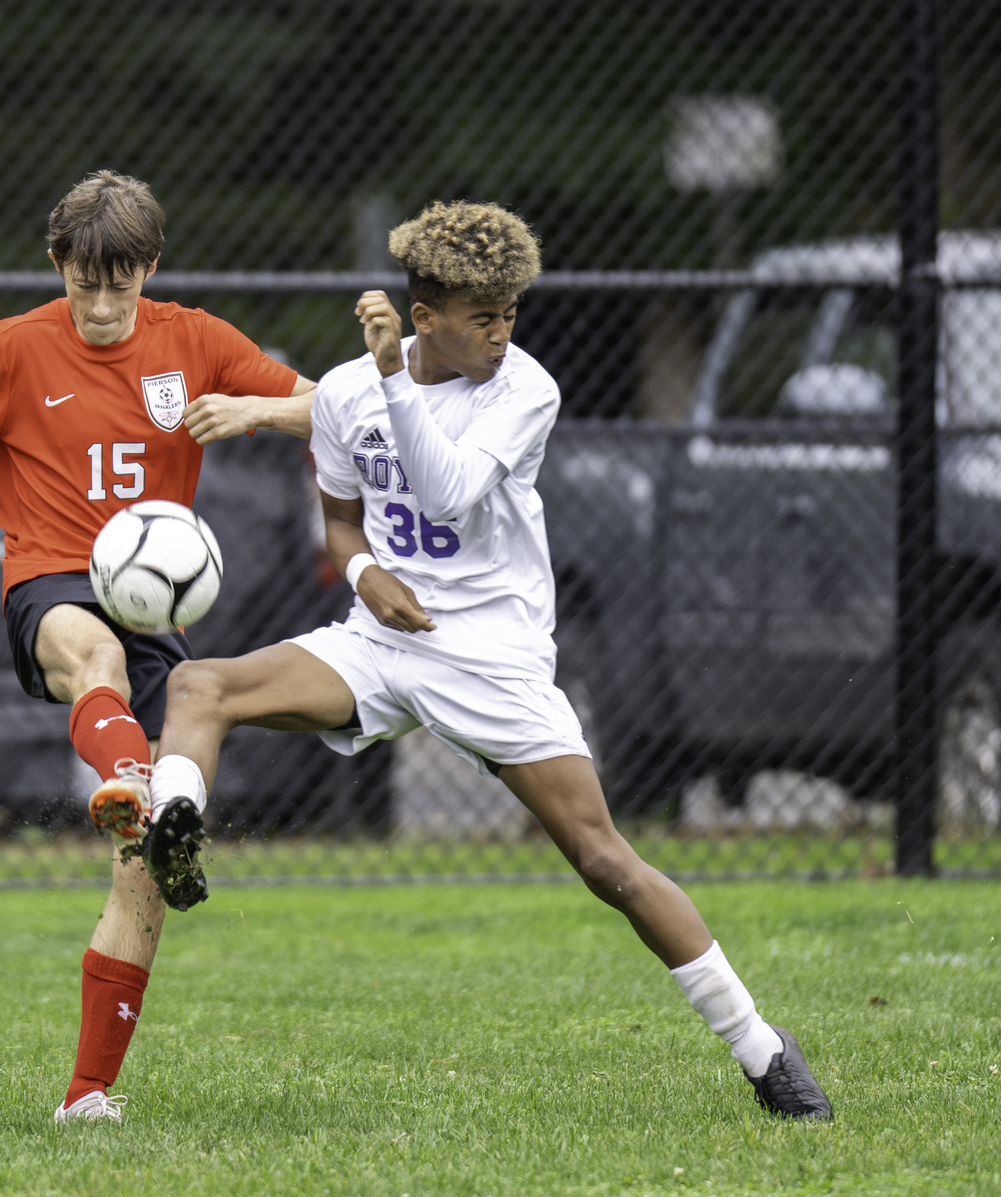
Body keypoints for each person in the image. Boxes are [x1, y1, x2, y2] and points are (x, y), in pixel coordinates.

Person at [141, 200, 832, 1121]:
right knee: (199, 683)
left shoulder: (522, 390)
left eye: (511, 314)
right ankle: (175, 833)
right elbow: (342, 519)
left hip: (491, 656)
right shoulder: (349, 391)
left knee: (602, 859)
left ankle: (761, 1050)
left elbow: (450, 490)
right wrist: (361, 571)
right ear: (426, 318)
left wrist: (390, 379)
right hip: (382, 641)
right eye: (484, 318)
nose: (504, 334)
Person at [0, 170, 315, 1125]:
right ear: (57, 264)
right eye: (86, 284)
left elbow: (334, 408)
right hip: (52, 582)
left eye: (123, 284)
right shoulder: (11, 349)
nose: (106, 306)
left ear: (151, 266)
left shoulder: (194, 340)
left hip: (158, 611)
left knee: (143, 871)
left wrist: (255, 410)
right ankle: (143, 790)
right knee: (95, 663)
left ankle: (88, 1096)